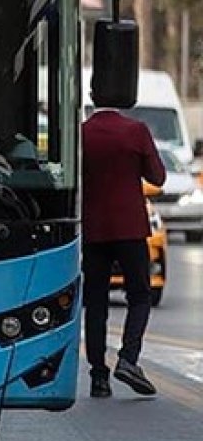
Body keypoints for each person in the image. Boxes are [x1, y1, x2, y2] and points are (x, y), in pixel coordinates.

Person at [82, 95, 166, 398]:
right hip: (130, 228)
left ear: (92, 99)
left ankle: (98, 377)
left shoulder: (81, 134)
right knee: (140, 295)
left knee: (95, 303)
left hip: (93, 230)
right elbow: (157, 176)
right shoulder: (136, 131)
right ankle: (128, 359)